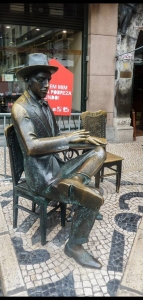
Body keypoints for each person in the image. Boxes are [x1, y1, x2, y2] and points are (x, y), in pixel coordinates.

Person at [12, 53, 107, 269]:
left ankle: (73, 180)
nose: (46, 85)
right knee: (94, 197)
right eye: (40, 79)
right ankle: (74, 246)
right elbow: (32, 146)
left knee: (99, 152)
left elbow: (57, 138)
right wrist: (67, 139)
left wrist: (84, 141)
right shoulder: (20, 108)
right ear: (28, 80)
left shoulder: (45, 105)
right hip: (42, 177)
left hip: (57, 168)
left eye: (48, 80)